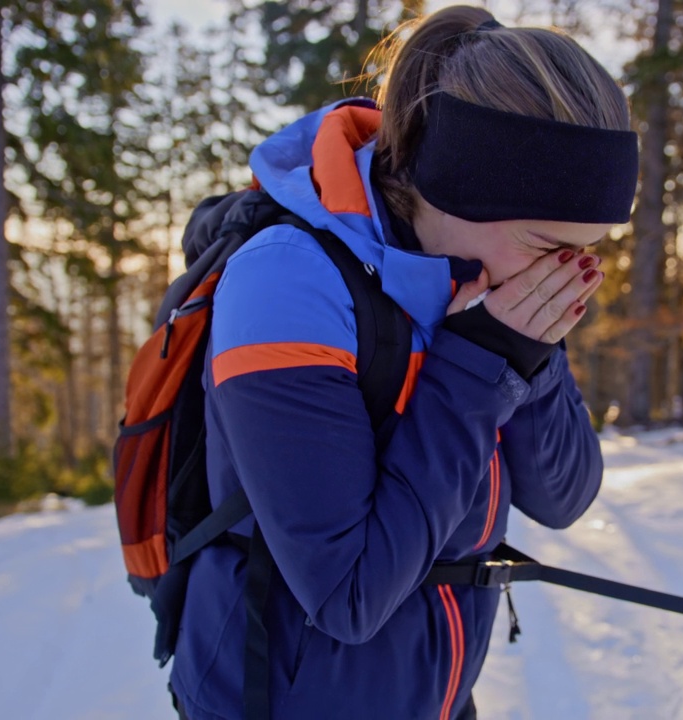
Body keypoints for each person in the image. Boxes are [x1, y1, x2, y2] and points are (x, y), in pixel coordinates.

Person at [168, 6, 639, 719]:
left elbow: (561, 496)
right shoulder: (289, 283)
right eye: (549, 246)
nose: (569, 274)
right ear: (455, 188)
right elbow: (347, 593)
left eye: (589, 247)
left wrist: (525, 355)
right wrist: (480, 366)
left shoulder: (490, 282)